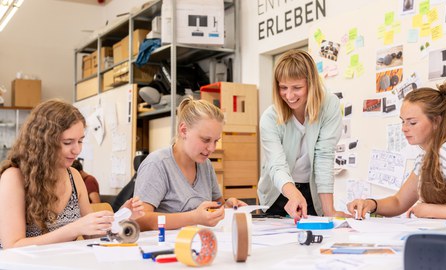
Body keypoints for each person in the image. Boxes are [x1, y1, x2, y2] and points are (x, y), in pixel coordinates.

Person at [0, 99, 144, 249]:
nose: (77, 150)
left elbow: (91, 234)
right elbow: (13, 246)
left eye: (80, 141)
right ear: (44, 143)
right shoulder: (14, 177)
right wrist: (75, 228)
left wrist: (121, 217)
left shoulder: (73, 176)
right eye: (68, 142)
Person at [347, 82, 446, 219]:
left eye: (412, 122)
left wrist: (430, 210)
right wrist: (371, 204)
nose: (404, 128)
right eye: (403, 121)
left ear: (436, 121)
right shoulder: (425, 158)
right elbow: (399, 202)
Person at [257, 49, 350, 221]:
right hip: (279, 191)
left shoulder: (329, 106)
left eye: (297, 88)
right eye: (283, 88)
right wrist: (293, 193)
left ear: (311, 84)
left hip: (313, 192)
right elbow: (277, 165)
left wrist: (330, 211)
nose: (289, 95)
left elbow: (324, 156)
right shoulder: (270, 118)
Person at [134, 96, 247, 230]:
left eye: (216, 141)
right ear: (184, 130)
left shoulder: (205, 165)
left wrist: (226, 208)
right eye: (206, 140)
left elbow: (216, 205)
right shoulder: (157, 164)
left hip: (200, 242)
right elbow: (141, 219)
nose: (212, 148)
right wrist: (193, 217)